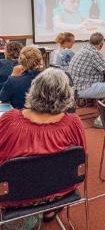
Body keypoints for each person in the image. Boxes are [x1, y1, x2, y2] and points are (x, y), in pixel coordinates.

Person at [0, 68, 86, 225]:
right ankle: (48, 209)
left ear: (34, 90)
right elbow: (81, 157)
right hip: (62, 189)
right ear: (67, 94)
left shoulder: (9, 120)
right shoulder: (74, 123)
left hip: (14, 195)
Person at [68, 32, 105, 100]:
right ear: (101, 45)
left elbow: (102, 66)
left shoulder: (84, 49)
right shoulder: (93, 53)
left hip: (75, 86)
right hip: (82, 89)